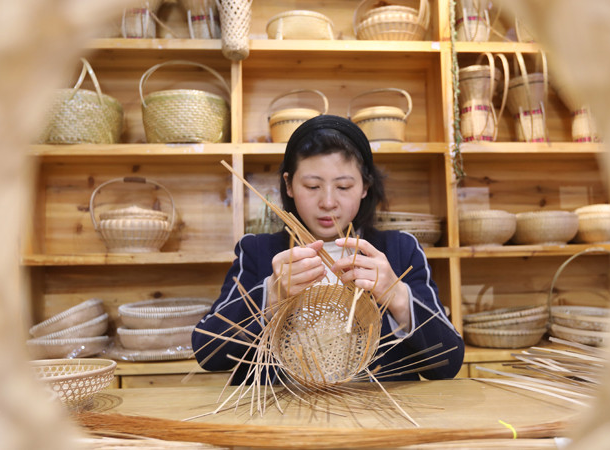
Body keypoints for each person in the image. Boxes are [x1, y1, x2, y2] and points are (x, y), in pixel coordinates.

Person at [192, 115, 465, 384]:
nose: (328, 201)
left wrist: (396, 295)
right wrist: (271, 296)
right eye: (312, 186)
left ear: (365, 187)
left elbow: (448, 363)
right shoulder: (258, 251)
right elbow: (208, 352)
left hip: (378, 417)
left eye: (343, 186)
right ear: (288, 185)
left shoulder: (399, 249)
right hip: (281, 418)